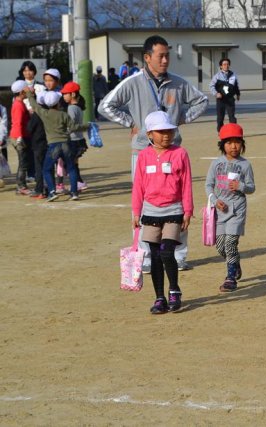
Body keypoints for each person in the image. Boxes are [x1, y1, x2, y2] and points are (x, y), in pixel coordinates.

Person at [99, 34, 209, 272]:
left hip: (172, 152)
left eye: (168, 55)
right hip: (143, 152)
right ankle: (146, 257)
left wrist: (182, 118)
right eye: (161, 55)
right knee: (143, 203)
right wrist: (130, 123)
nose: (165, 60)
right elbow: (105, 105)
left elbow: (202, 100)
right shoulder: (133, 82)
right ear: (147, 57)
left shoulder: (179, 83)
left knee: (176, 202)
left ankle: (178, 256)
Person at [132, 111, 193, 314]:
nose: (166, 135)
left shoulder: (180, 153)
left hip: (174, 209)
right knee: (155, 255)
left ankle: (174, 290)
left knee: (167, 251)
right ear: (150, 134)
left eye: (169, 130)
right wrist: (135, 211)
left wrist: (188, 210)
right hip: (150, 211)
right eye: (161, 131)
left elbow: (186, 184)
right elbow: (138, 185)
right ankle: (160, 297)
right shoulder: (143, 156)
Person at [205, 123, 255, 292]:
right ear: (222, 145)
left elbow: (251, 187)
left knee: (230, 244)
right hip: (220, 211)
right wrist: (214, 200)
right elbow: (208, 185)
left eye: (237, 142)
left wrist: (241, 186)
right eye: (229, 142)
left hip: (237, 210)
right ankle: (235, 263)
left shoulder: (245, 165)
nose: (233, 146)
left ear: (242, 144)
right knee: (220, 246)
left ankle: (230, 277)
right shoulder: (215, 164)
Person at [26, 90, 87, 202]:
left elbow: (34, 105)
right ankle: (74, 192)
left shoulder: (44, 113)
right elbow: (74, 127)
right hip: (66, 144)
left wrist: (29, 94)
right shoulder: (63, 114)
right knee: (71, 168)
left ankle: (52, 192)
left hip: (53, 145)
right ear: (58, 103)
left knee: (46, 169)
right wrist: (87, 127)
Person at [61, 81, 89, 191]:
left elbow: (71, 125)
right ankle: (79, 182)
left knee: (70, 164)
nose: (63, 96)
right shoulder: (78, 107)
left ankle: (78, 182)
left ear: (72, 94)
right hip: (79, 139)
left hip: (72, 140)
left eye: (65, 93)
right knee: (74, 163)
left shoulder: (71, 108)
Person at [9, 80, 31, 195]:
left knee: (24, 161)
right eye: (26, 89)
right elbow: (17, 123)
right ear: (22, 92)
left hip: (19, 135)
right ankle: (21, 186)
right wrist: (19, 137)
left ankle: (21, 185)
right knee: (23, 162)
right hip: (19, 136)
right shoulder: (18, 105)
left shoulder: (19, 103)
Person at [210, 58, 240, 132]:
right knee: (220, 118)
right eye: (224, 64)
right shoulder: (217, 76)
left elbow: (236, 86)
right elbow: (211, 86)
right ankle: (221, 132)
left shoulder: (233, 75)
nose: (226, 66)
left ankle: (234, 132)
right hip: (221, 100)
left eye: (227, 64)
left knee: (232, 117)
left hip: (230, 99)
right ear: (221, 66)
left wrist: (238, 94)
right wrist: (216, 93)